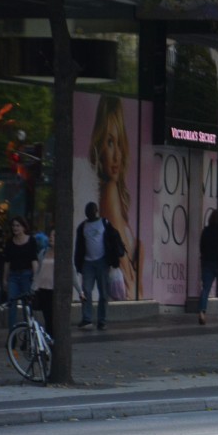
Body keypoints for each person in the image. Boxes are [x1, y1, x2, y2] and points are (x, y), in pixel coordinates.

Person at [89, 96, 140, 299]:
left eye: (119, 143)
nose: (117, 155)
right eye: (110, 142)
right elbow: (125, 268)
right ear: (99, 146)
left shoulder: (113, 193)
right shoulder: (110, 192)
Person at [74, 201, 125, 331]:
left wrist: (114, 259)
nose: (89, 214)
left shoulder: (104, 223)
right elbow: (79, 247)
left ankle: (102, 320)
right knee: (86, 290)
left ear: (96, 211)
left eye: (91, 211)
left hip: (102, 262)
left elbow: (114, 238)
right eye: (87, 212)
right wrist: (78, 264)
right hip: (88, 263)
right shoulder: (82, 227)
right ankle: (87, 318)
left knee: (103, 293)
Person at [33, 229, 83, 330]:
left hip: (56, 291)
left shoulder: (64, 255)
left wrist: (80, 291)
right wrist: (33, 287)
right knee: (47, 319)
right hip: (43, 290)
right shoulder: (43, 253)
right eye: (50, 235)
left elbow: (72, 273)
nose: (51, 237)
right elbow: (38, 272)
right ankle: (49, 341)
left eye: (54, 235)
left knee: (54, 319)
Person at [2, 216, 39, 330]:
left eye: (18, 225)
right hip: (13, 276)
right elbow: (7, 262)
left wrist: (36, 279)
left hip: (26, 276)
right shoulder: (9, 242)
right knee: (12, 305)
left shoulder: (31, 241)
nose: (15, 228)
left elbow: (34, 260)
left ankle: (28, 335)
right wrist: (5, 279)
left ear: (23, 227)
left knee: (26, 307)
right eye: (13, 226)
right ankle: (12, 336)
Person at [197, 210, 218, 325]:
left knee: (205, 289)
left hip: (207, 262)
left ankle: (202, 311)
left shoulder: (206, 231)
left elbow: (201, 247)